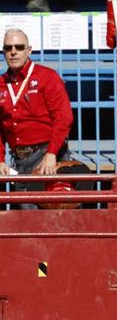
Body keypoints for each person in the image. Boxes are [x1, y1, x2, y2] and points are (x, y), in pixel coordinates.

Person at [0, 28, 74, 208]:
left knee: (54, 215)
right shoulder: (1, 83)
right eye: (8, 48)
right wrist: (0, 159)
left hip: (46, 154)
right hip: (19, 159)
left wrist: (51, 153)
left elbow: (63, 117)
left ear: (29, 50)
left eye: (19, 47)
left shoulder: (47, 77)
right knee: (28, 218)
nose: (13, 52)